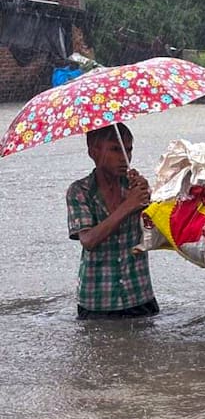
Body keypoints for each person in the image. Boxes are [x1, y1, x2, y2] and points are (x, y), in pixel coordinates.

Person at [66, 123, 159, 319]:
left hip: (139, 296)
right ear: (94, 152)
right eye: (116, 149)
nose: (124, 157)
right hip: (98, 301)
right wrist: (128, 206)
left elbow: (156, 232)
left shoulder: (136, 188)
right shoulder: (79, 191)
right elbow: (89, 240)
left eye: (128, 149)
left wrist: (148, 200)